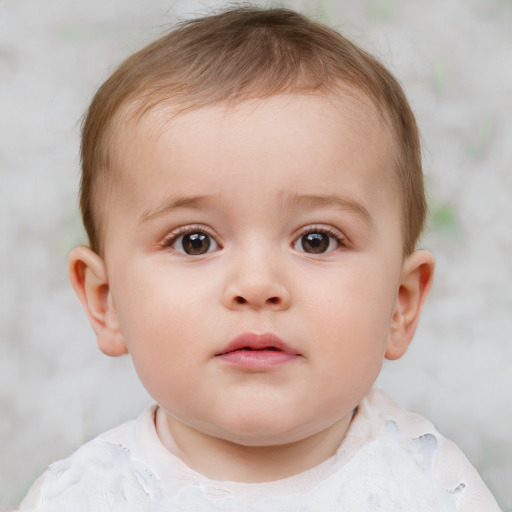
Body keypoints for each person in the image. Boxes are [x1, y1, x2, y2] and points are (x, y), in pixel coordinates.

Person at [17, 6, 501, 511]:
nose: (256, 283)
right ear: (106, 299)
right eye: (194, 242)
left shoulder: (434, 491)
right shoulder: (78, 498)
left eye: (316, 240)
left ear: (401, 304)